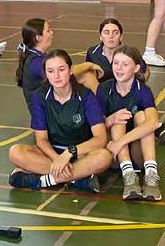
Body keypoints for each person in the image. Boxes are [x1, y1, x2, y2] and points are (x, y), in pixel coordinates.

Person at [8, 49, 111, 192]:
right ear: (46, 74)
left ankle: (45, 180)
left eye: (61, 70)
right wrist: (57, 159)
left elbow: (100, 139)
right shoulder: (40, 96)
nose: (56, 76)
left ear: (70, 70)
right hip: (51, 154)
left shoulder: (86, 96)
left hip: (81, 153)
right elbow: (41, 140)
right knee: (15, 152)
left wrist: (69, 153)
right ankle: (77, 178)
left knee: (104, 157)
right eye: (50, 71)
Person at [79, 18, 165, 144]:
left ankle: (150, 129)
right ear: (100, 36)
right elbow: (86, 75)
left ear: (121, 36)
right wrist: (91, 67)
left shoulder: (129, 53)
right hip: (106, 97)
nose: (111, 36)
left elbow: (145, 71)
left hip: (126, 95)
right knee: (88, 77)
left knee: (137, 113)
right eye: (106, 32)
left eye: (115, 32)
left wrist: (139, 85)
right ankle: (158, 129)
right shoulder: (92, 52)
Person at [97, 45, 163, 200]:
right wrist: (111, 119)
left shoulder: (143, 90)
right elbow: (95, 127)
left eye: (125, 64)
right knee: (119, 119)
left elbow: (153, 123)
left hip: (137, 152)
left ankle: (151, 176)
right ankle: (129, 177)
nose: (119, 68)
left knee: (141, 116)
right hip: (114, 154)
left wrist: (120, 142)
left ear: (136, 68)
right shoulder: (104, 89)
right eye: (116, 63)